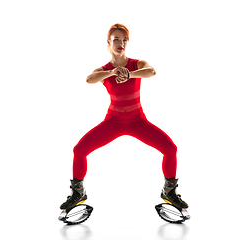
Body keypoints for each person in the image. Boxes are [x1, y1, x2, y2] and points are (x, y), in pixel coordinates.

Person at [60, 23, 188, 212]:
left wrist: (129, 74)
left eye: (125, 39)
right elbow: (89, 79)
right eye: (117, 39)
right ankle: (78, 194)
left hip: (138, 122)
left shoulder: (137, 64)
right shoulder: (104, 70)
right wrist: (112, 72)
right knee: (79, 150)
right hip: (113, 122)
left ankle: (168, 192)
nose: (121, 43)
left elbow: (151, 71)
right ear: (108, 43)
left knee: (170, 149)